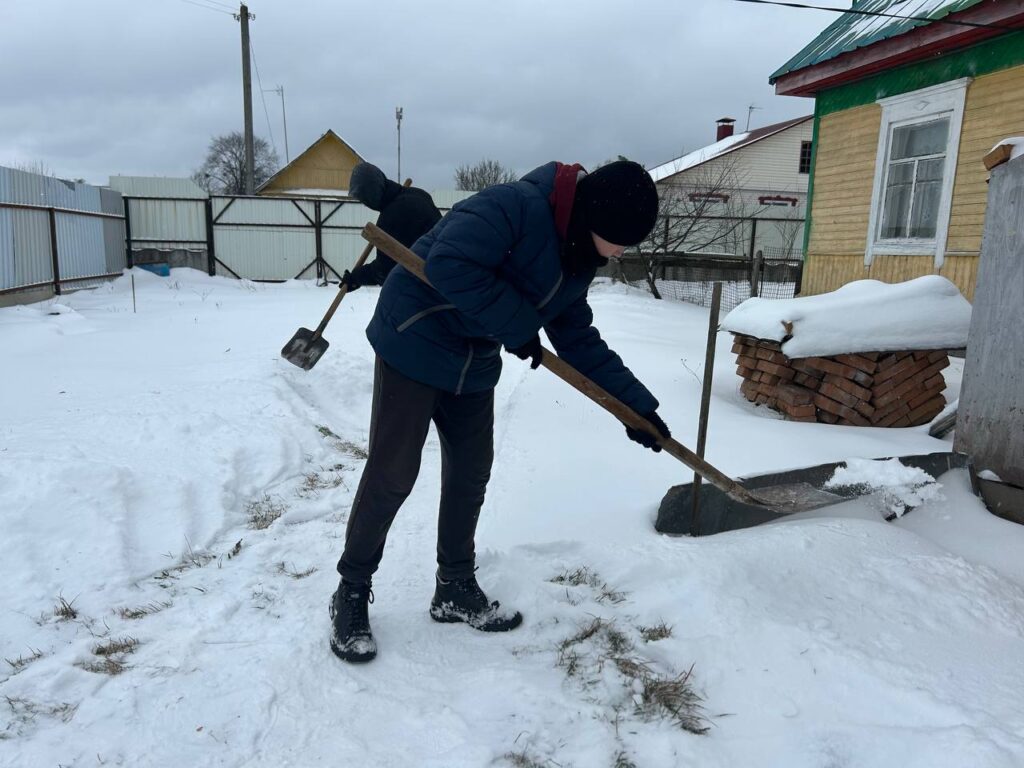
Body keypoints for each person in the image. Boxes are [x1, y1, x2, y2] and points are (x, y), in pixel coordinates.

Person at [330, 159, 670, 663]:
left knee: (471, 473)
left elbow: (578, 340)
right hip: (415, 333)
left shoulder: (577, 257)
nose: (622, 252)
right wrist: (518, 323)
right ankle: (352, 588)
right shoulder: (513, 207)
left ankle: (453, 586)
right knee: (393, 471)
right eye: (621, 240)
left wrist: (636, 409)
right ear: (597, 218)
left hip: (474, 354)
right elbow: (448, 264)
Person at [341, 161, 442, 290]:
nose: (365, 204)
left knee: (389, 299)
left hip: (428, 284)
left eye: (363, 198)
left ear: (371, 193)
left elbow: (384, 271)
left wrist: (355, 278)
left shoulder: (391, 216)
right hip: (443, 266)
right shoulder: (418, 194)